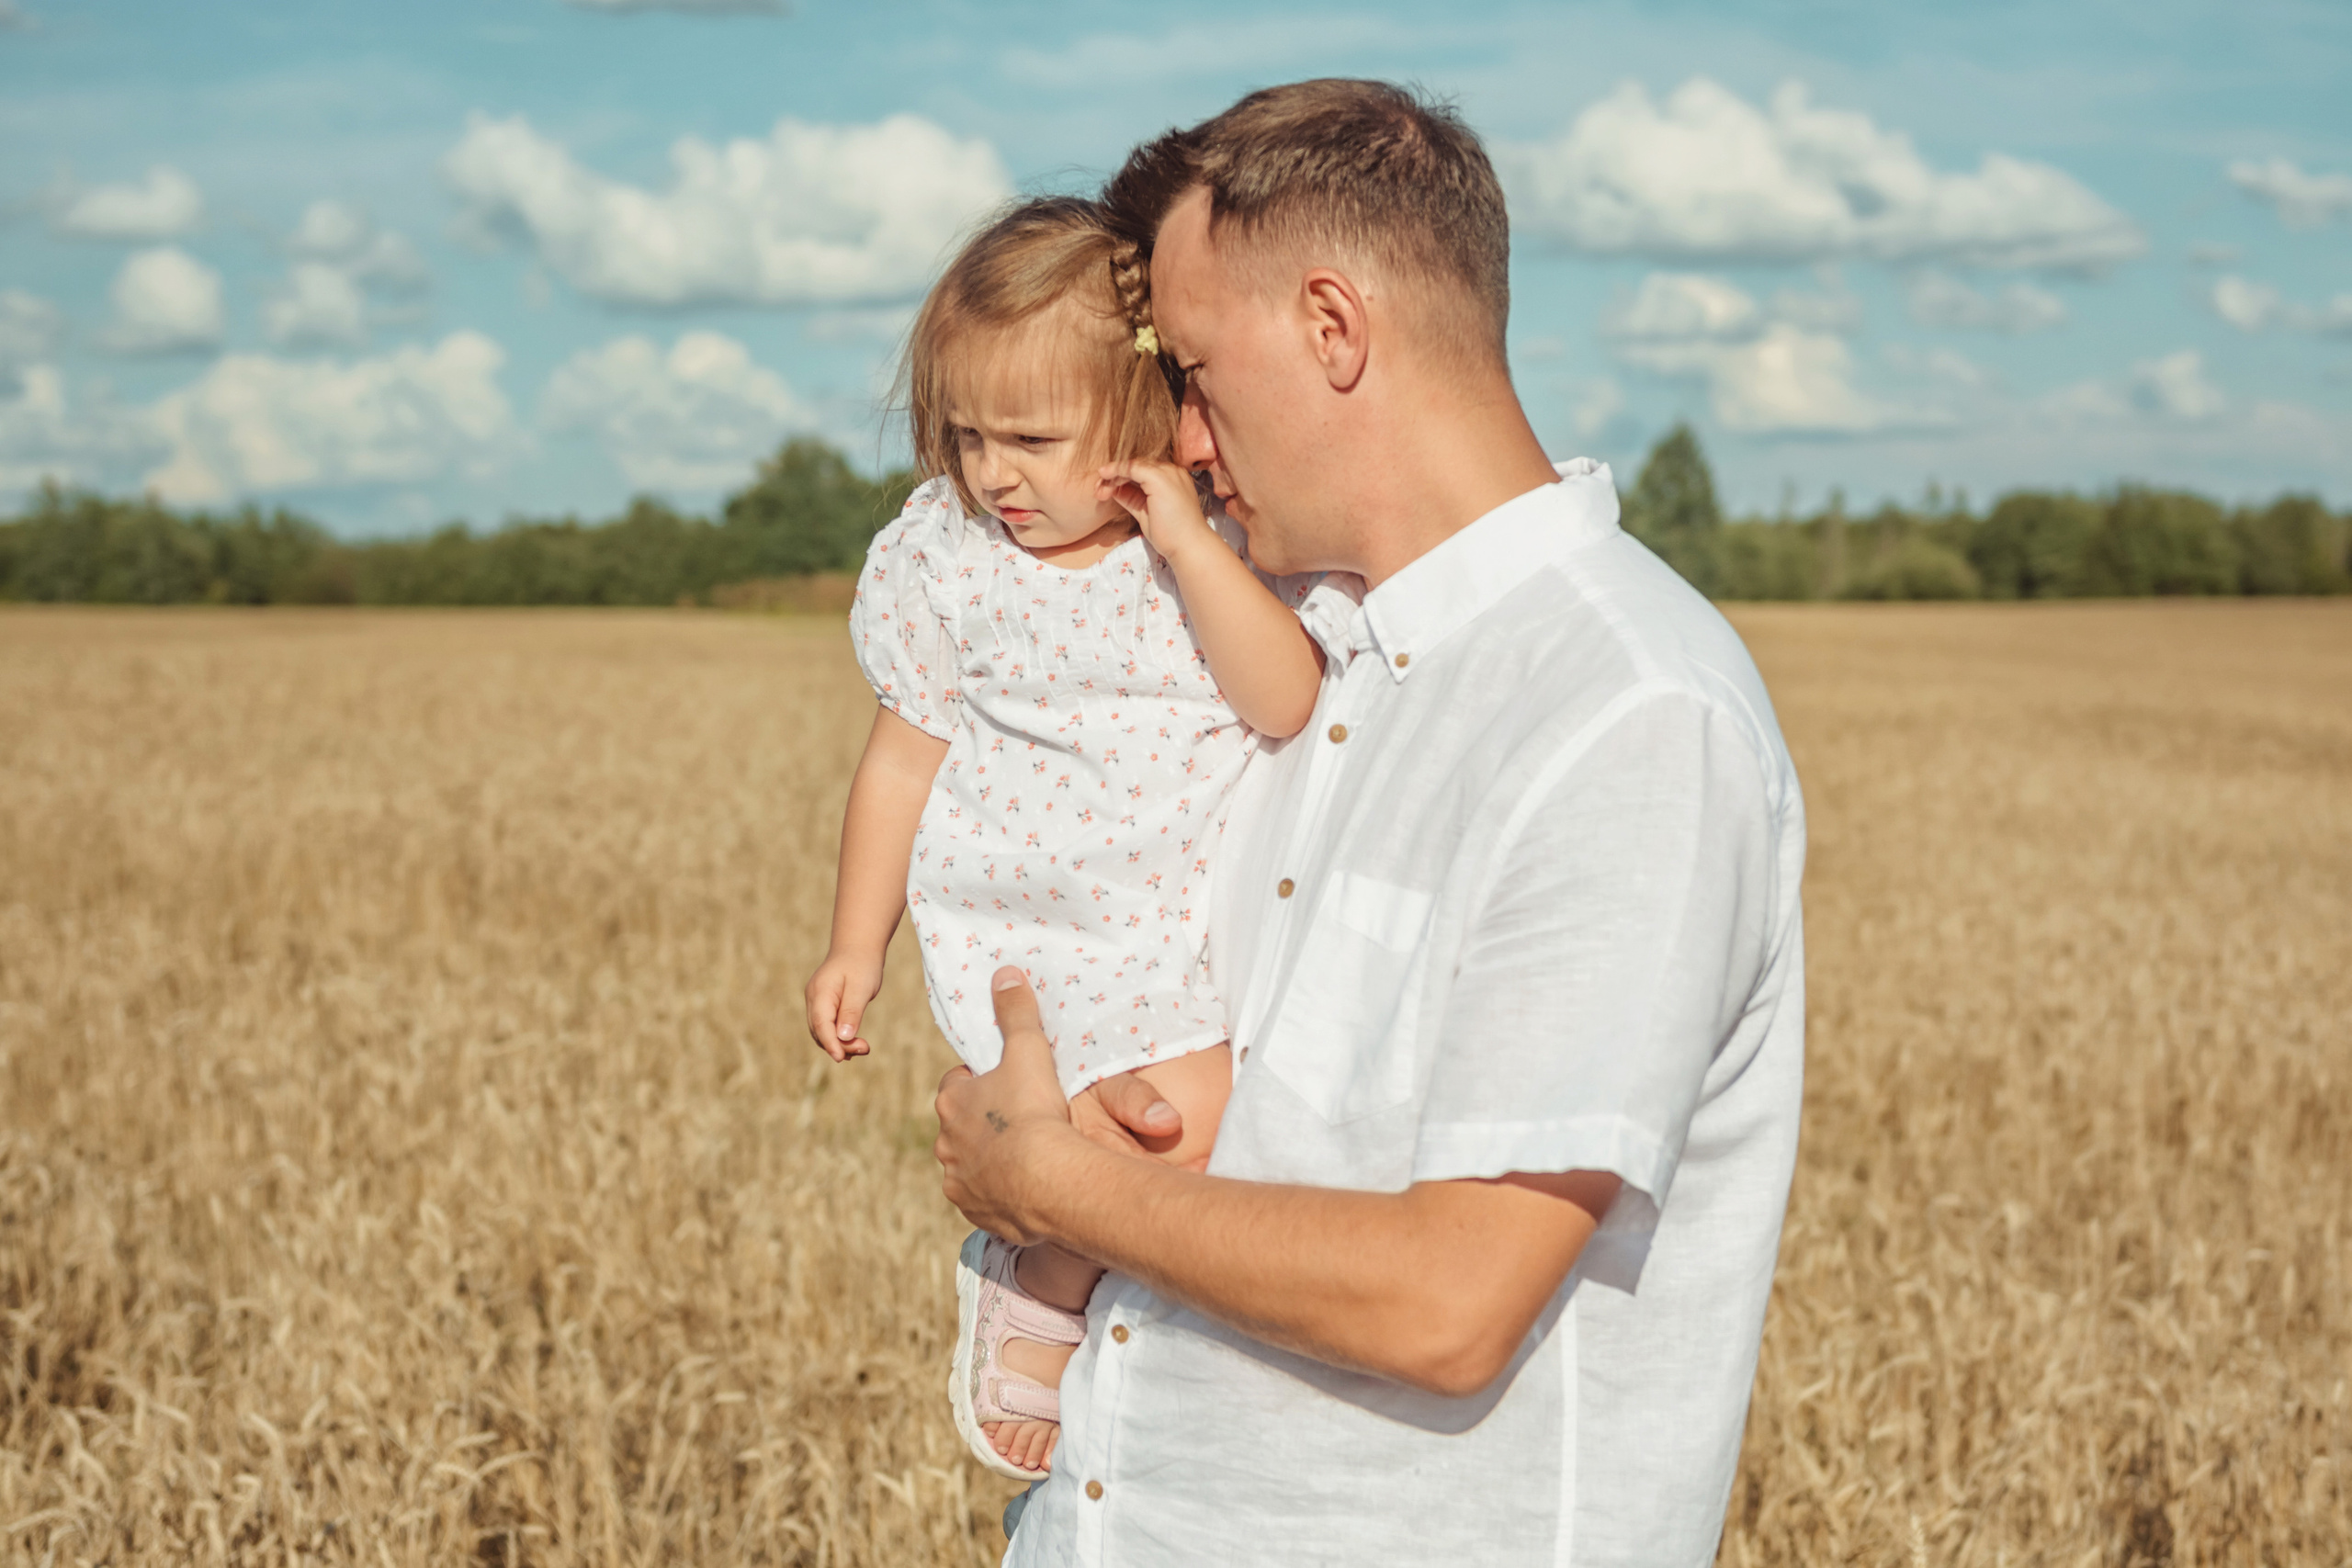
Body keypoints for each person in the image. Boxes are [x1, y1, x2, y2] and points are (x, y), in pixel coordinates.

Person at [933, 79, 1807, 1565]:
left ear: (1335, 328)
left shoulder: (1628, 710)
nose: (1184, 436)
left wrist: (1051, 1185)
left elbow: (1448, 1302)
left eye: (1195, 372)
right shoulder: (1272, 651)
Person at [804, 197, 1356, 1480]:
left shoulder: (1209, 548)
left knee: (1178, 1121)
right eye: (967, 436)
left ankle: (1062, 1262)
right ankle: (1039, 1284)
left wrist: (1184, 544)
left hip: (1173, 914)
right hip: (1025, 924)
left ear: (1146, 414)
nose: (995, 474)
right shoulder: (944, 557)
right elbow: (901, 757)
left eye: (1034, 439)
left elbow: (1283, 699)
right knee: (1107, 1122)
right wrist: (853, 941)